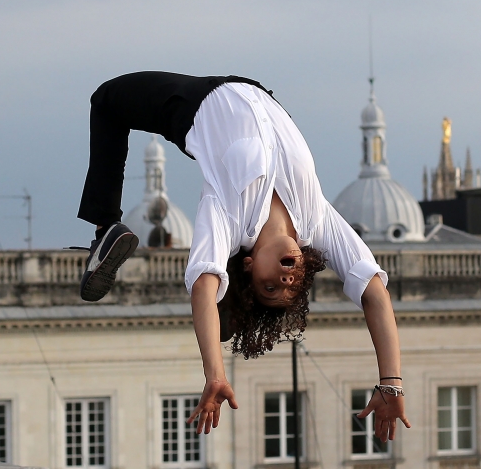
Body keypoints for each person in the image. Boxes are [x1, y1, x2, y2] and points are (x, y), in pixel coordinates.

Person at [75, 71, 410, 440]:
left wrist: (215, 373)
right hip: (259, 92)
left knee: (107, 100)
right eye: (293, 286)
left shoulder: (229, 218)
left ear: (248, 266)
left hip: (195, 103)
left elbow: (204, 285)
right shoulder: (318, 221)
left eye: (270, 287)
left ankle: (105, 226)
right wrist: (391, 383)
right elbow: (374, 291)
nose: (285, 280)